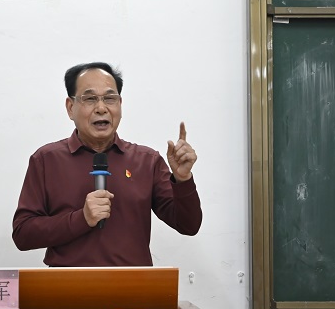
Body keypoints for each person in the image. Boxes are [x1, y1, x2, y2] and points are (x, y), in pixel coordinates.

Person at [12, 62, 202, 266]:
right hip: (67, 284)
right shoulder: (46, 160)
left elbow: (188, 226)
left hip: (134, 284)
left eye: (110, 99)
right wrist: (81, 219)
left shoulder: (147, 161)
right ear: (70, 107)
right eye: (90, 99)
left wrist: (183, 180)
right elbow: (23, 234)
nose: (101, 108)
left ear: (120, 104)